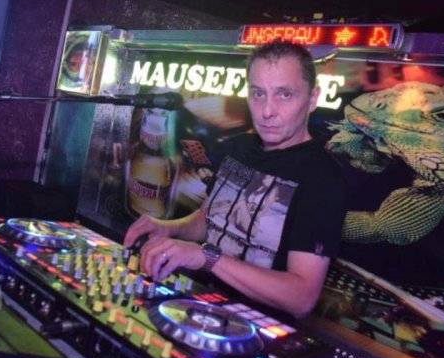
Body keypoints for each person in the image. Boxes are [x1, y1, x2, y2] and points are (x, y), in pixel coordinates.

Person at [123, 40, 348, 318]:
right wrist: (166, 228)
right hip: (200, 305)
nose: (267, 111)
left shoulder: (323, 179)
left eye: (285, 95)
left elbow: (301, 297)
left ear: (312, 99)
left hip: (256, 328)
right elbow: (209, 220)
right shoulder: (238, 148)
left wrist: (206, 257)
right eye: (258, 93)